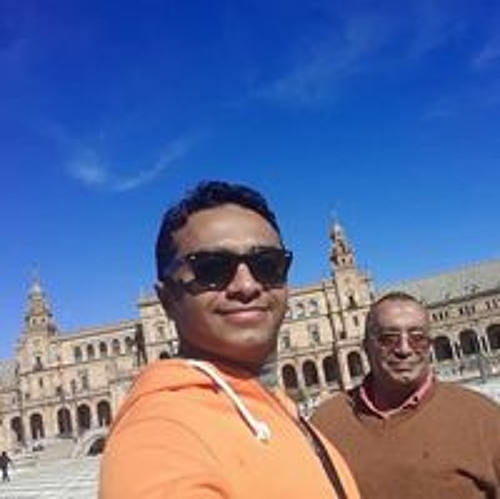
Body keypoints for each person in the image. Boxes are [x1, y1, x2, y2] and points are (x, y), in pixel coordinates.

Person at [99, 180, 360, 499]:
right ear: (167, 300)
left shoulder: (274, 404)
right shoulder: (160, 433)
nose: (247, 286)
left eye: (267, 265)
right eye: (211, 269)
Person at [312, 291, 500, 499]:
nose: (404, 349)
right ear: (366, 347)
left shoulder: (484, 418)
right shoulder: (325, 423)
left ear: (429, 346)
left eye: (417, 338)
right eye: (388, 338)